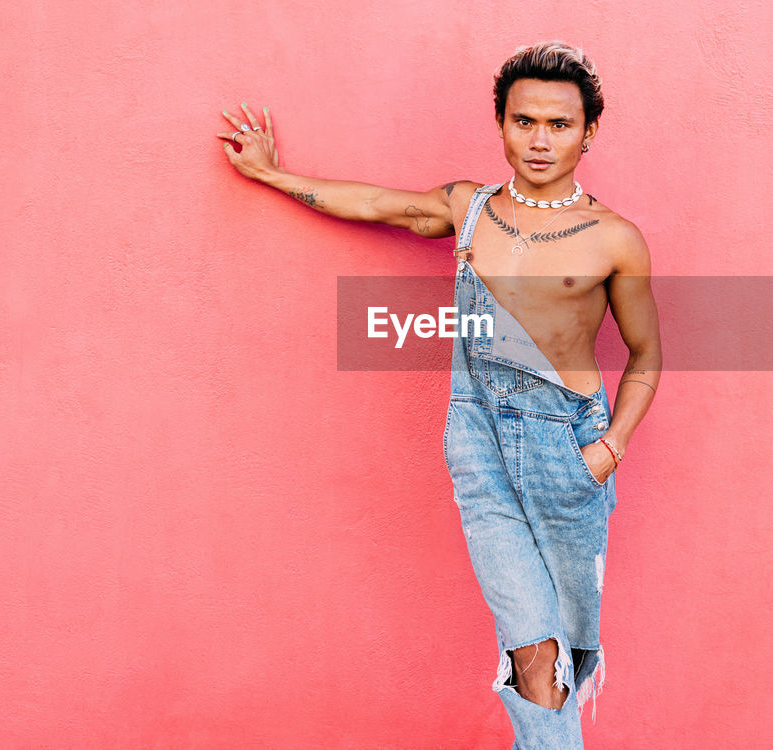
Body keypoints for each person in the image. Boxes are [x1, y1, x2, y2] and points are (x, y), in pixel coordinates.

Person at [218, 41, 661, 748]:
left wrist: (609, 450)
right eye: (524, 122)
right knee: (533, 656)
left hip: (567, 450)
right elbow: (377, 205)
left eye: (558, 125)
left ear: (589, 132)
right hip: (480, 446)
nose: (539, 140)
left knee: (570, 652)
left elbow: (646, 354)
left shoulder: (616, 240)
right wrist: (272, 174)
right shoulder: (471, 210)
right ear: (501, 124)